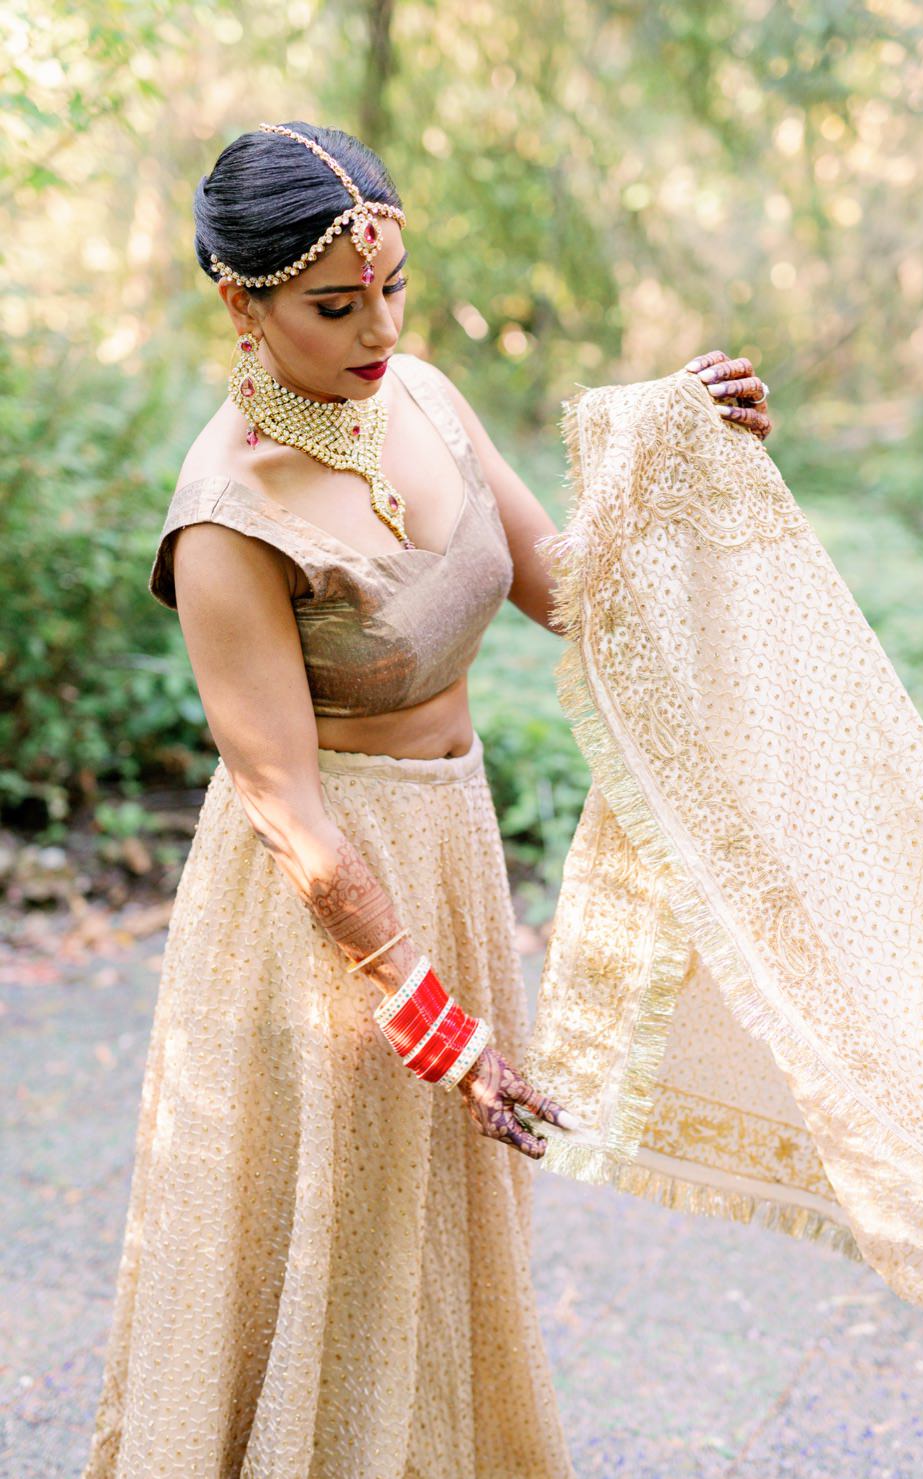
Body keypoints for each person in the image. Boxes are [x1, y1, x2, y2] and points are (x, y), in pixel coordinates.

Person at [83, 120, 774, 1477]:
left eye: (393, 288)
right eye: (336, 306)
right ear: (242, 301)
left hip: (448, 846)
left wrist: (670, 452)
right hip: (321, 908)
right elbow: (290, 813)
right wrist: (435, 1025)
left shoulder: (428, 398)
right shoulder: (228, 517)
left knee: (437, 1233)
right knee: (325, 1232)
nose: (379, 327)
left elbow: (569, 592)